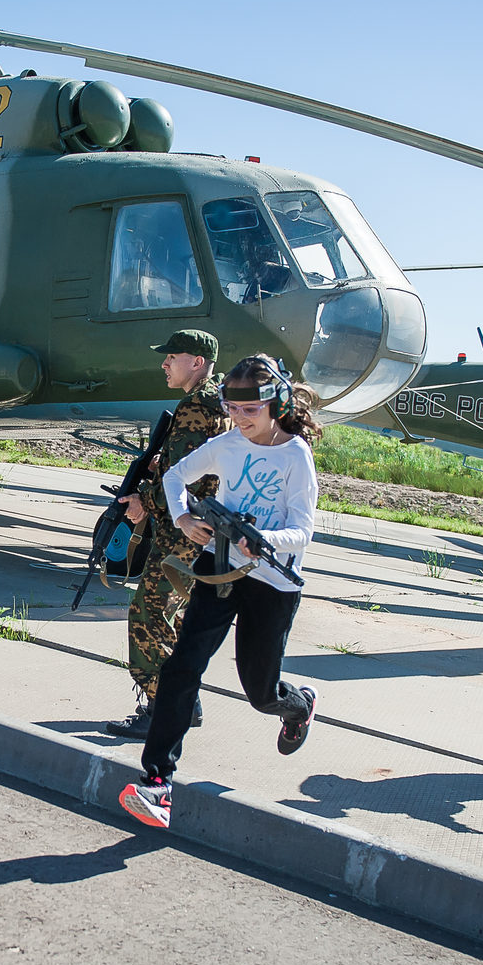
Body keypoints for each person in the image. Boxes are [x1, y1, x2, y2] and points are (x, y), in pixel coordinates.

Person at [119, 355, 321, 829]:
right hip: (220, 571)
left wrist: (266, 541)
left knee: (260, 690)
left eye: (250, 410)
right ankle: (157, 783)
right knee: (182, 664)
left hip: (272, 581)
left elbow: (304, 531)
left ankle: (298, 705)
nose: (240, 419)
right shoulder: (226, 444)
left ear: (276, 404)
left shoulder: (296, 456)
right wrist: (184, 517)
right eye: (233, 408)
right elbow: (173, 475)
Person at [105, 329, 231, 740]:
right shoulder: (219, 402)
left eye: (171, 356)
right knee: (173, 620)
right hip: (203, 531)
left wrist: (145, 499)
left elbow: (187, 482)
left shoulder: (197, 405)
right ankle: (183, 702)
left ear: (196, 362)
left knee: (148, 615)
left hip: (183, 532)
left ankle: (163, 710)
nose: (164, 363)